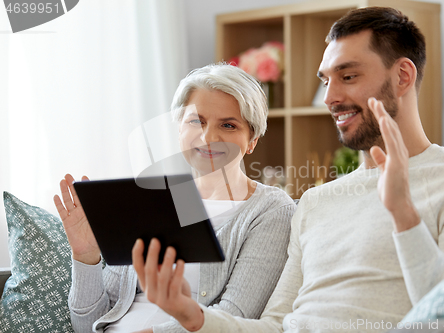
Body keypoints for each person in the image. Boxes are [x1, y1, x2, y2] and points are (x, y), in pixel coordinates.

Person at [131, 7, 444, 333]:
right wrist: (192, 316)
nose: (329, 98)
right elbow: (275, 326)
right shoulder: (315, 202)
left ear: (403, 76)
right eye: (326, 80)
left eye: (348, 76)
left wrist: (404, 217)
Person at [53, 64, 297, 333]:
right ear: (179, 128)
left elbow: (234, 318)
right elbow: (87, 326)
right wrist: (85, 257)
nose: (208, 137)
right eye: (196, 121)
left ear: (252, 140)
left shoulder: (271, 211)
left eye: (228, 125)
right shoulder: (147, 198)